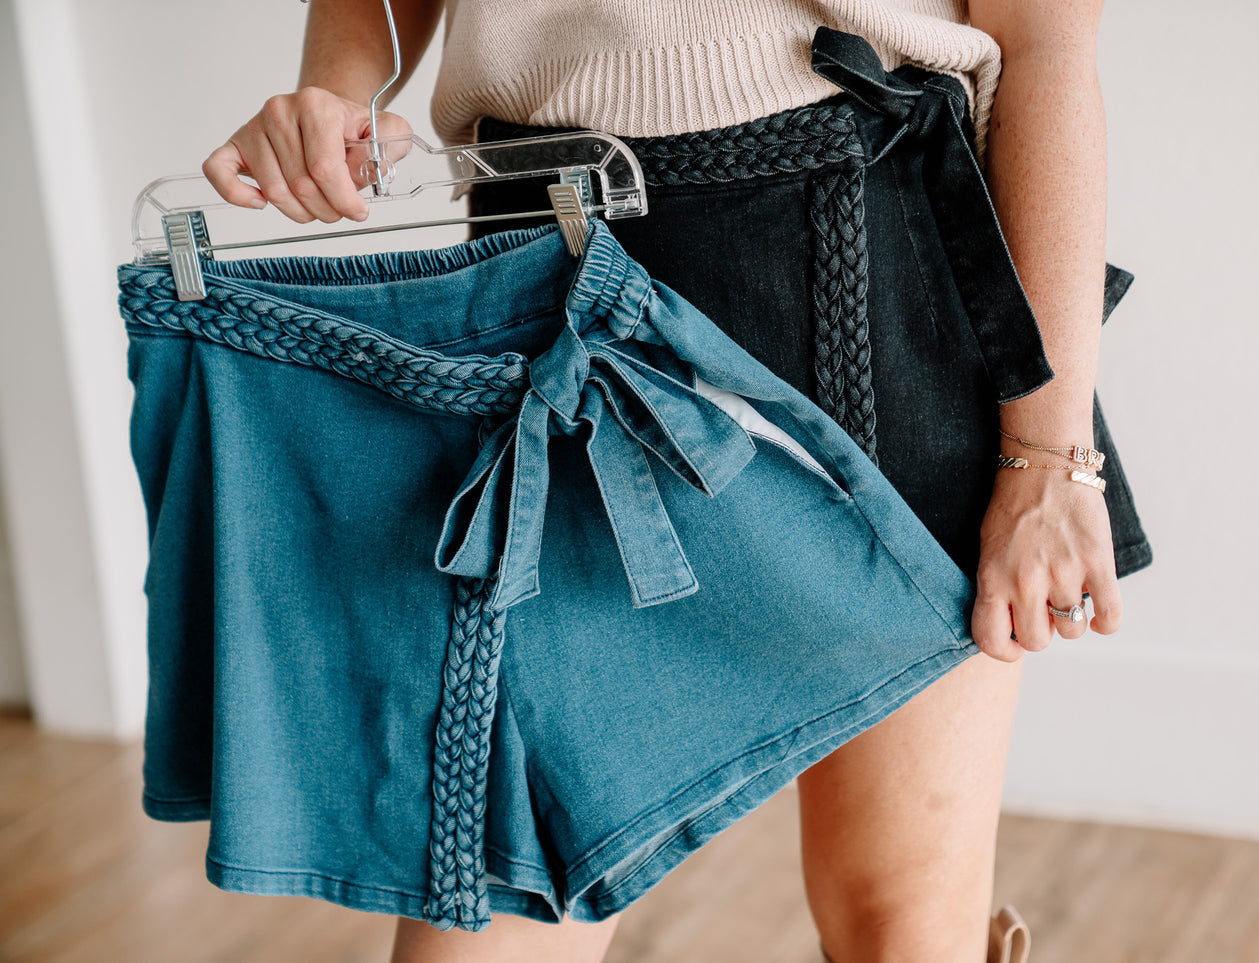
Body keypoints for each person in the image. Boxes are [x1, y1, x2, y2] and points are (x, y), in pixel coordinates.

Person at [203, 2, 1147, 961]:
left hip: (862, 274)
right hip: (543, 274)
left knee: (903, 928)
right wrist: (335, 91)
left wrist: (1049, 454)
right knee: (500, 917)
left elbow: (1047, 44)